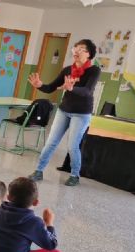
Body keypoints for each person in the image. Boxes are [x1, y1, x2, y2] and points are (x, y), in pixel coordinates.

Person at [27, 39, 101, 186]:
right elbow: (50, 88)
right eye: (76, 48)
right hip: (64, 110)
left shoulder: (94, 70)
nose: (77, 51)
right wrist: (40, 85)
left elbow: (87, 91)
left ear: (89, 54)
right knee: (51, 142)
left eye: (82, 49)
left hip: (81, 113)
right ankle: (38, 171)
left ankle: (75, 175)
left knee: (72, 146)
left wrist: (72, 88)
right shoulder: (68, 70)